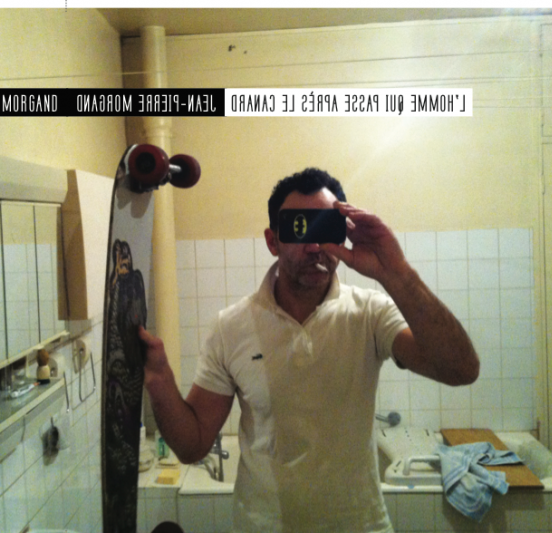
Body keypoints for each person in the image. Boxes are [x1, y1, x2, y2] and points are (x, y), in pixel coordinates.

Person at [139, 168, 479, 532]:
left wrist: (395, 271)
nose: (315, 246)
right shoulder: (231, 327)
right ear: (273, 241)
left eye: (325, 229)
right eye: (299, 229)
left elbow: (460, 369)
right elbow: (192, 446)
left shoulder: (370, 313)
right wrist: (159, 379)